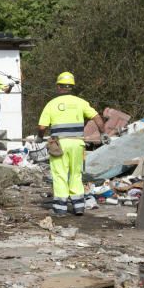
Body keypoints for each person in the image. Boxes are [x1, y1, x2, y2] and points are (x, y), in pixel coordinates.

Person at [37, 72, 105, 216]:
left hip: (59, 145)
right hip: (77, 144)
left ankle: (60, 209)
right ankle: (79, 207)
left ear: (58, 87)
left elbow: (42, 127)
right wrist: (103, 134)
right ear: (72, 87)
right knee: (76, 174)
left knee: (60, 174)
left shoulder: (51, 104)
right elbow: (97, 117)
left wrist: (39, 137)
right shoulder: (81, 102)